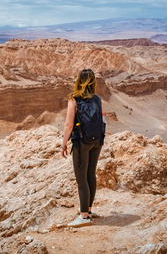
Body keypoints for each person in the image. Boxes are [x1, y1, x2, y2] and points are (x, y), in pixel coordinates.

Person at [61, 69, 105, 228]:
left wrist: (64, 143)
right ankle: (89, 210)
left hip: (81, 143)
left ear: (79, 81)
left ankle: (84, 216)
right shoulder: (98, 99)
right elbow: (102, 119)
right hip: (97, 142)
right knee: (90, 175)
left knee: (81, 179)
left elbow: (69, 124)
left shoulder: (74, 99)